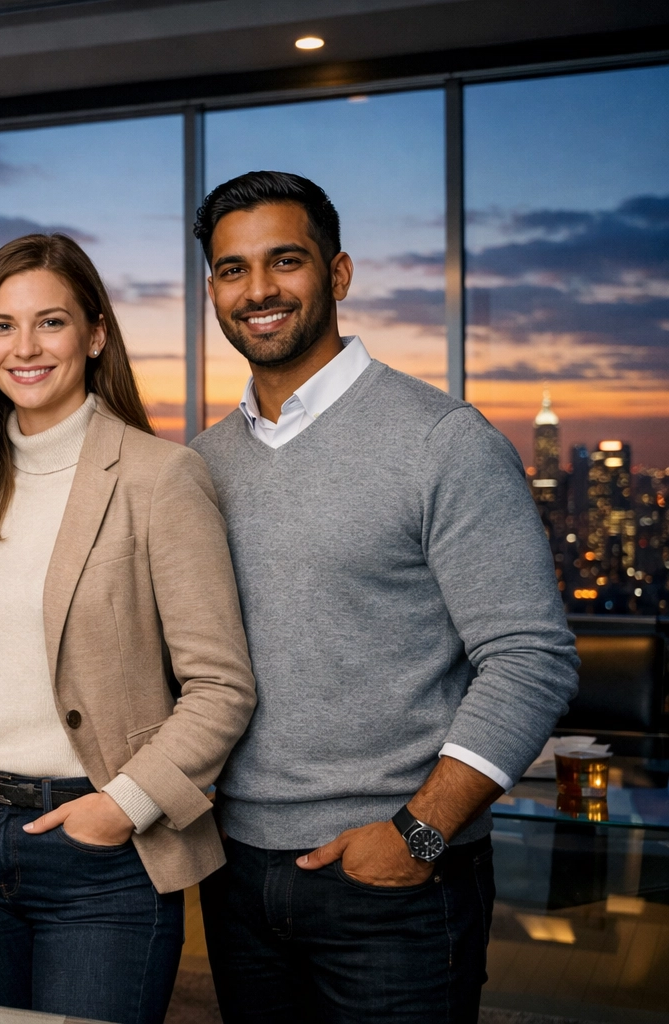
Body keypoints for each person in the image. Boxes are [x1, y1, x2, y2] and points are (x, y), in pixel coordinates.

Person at [188, 170, 579, 1023]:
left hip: (396, 879)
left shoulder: (442, 440)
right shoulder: (203, 464)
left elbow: (530, 659)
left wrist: (420, 832)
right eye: (231, 269)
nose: (257, 290)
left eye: (284, 261)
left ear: (338, 274)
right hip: (238, 874)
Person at [0, 234, 257, 1024]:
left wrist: (123, 805)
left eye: (49, 323)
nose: (23, 348)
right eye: (1, 326)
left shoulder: (160, 478)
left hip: (99, 847)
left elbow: (222, 686)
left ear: (95, 335)